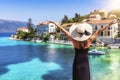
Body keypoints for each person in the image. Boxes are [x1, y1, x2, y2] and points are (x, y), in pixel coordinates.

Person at [49, 20, 116, 80]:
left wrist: (55, 23)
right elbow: (99, 31)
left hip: (77, 64)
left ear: (76, 33)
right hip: (85, 65)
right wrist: (110, 24)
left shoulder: (74, 41)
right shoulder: (89, 40)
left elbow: (64, 31)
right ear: (84, 33)